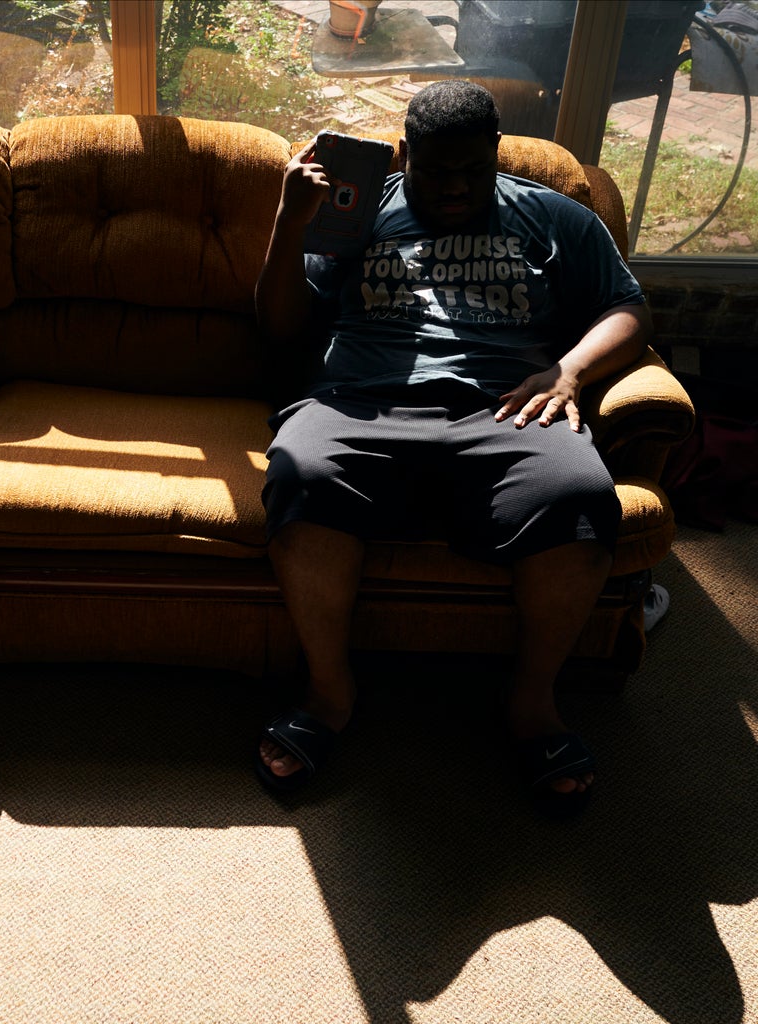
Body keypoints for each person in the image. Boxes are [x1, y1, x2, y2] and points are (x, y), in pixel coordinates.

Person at [254, 80, 652, 816]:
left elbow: (627, 306)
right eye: (436, 172)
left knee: (583, 498)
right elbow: (280, 328)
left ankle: (532, 706)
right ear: (406, 156)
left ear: (495, 155)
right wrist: (289, 222)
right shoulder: (356, 213)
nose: (456, 188)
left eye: (473, 170)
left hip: (507, 408)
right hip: (362, 403)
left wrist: (568, 370)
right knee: (299, 472)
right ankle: (329, 695)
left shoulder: (553, 215)